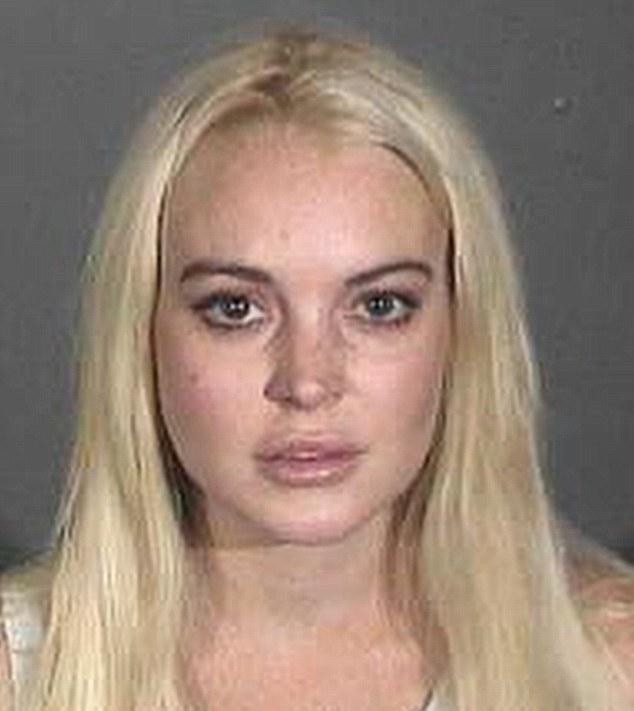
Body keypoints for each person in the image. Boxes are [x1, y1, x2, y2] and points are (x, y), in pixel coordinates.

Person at [1, 26, 633, 711]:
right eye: (236, 309)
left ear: (462, 334)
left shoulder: (608, 668)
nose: (307, 382)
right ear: (144, 334)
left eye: (379, 306)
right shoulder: (20, 675)